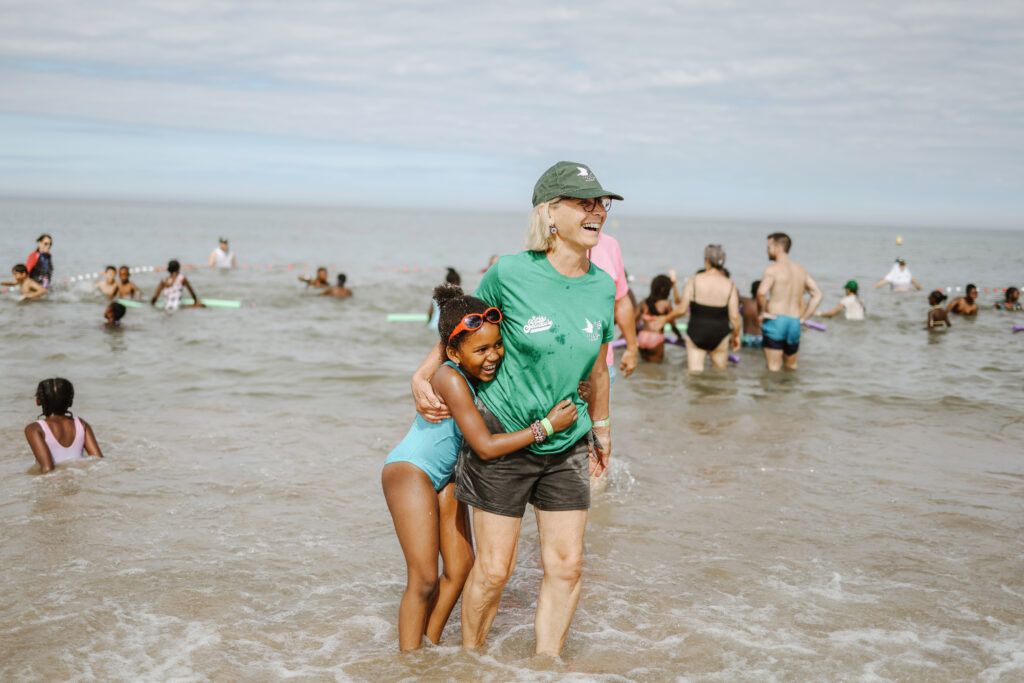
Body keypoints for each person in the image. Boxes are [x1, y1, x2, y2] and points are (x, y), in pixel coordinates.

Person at [410, 160, 619, 656]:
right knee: (495, 570)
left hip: (568, 439)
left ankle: (546, 666)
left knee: (567, 566)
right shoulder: (511, 271)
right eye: (583, 203)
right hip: (504, 439)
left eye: (601, 203)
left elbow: (598, 368)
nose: (597, 212)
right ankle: (471, 663)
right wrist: (422, 374)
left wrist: (604, 430)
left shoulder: (603, 286)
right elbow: (462, 328)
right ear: (551, 213)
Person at [383, 283, 578, 651]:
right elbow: (485, 447)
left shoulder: (475, 375)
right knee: (424, 578)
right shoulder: (448, 377)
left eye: (496, 345)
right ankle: (407, 665)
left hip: (447, 478)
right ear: (453, 352)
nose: (493, 356)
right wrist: (546, 428)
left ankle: (431, 646)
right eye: (481, 349)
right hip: (410, 471)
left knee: (460, 571)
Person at [666, 244, 741, 372]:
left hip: (696, 331)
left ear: (706, 260)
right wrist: (736, 336)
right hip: (721, 333)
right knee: (719, 375)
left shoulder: (694, 280)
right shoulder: (730, 285)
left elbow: (682, 309)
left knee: (695, 375)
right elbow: (734, 317)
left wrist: (664, 319)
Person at [757, 233, 823, 372]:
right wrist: (804, 318)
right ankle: (790, 393)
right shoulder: (801, 270)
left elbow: (761, 293)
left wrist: (762, 312)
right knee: (791, 367)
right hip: (794, 322)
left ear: (777, 247)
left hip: (776, 320)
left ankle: (772, 394)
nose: (767, 250)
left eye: (768, 247)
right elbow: (817, 294)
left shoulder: (773, 269)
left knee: (773, 368)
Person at [588, 231, 639, 378]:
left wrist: (631, 348)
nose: (597, 211)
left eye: (603, 206)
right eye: (585, 206)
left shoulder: (610, 245)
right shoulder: (547, 244)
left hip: (602, 365)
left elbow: (621, 300)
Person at [24, 378, 103, 473]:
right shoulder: (81, 424)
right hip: (78, 480)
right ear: (70, 402)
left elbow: (48, 469)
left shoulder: (34, 429)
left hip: (54, 483)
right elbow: (98, 461)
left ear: (38, 401)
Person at [634, 274, 678, 363]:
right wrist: (679, 336)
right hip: (655, 338)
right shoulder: (666, 304)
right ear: (667, 290)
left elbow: (633, 320)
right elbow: (672, 324)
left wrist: (636, 334)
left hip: (642, 337)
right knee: (656, 371)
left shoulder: (643, 302)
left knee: (644, 368)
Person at [740, 280, 762, 347]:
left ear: (751, 290)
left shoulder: (744, 301)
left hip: (747, 337)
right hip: (761, 338)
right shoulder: (768, 304)